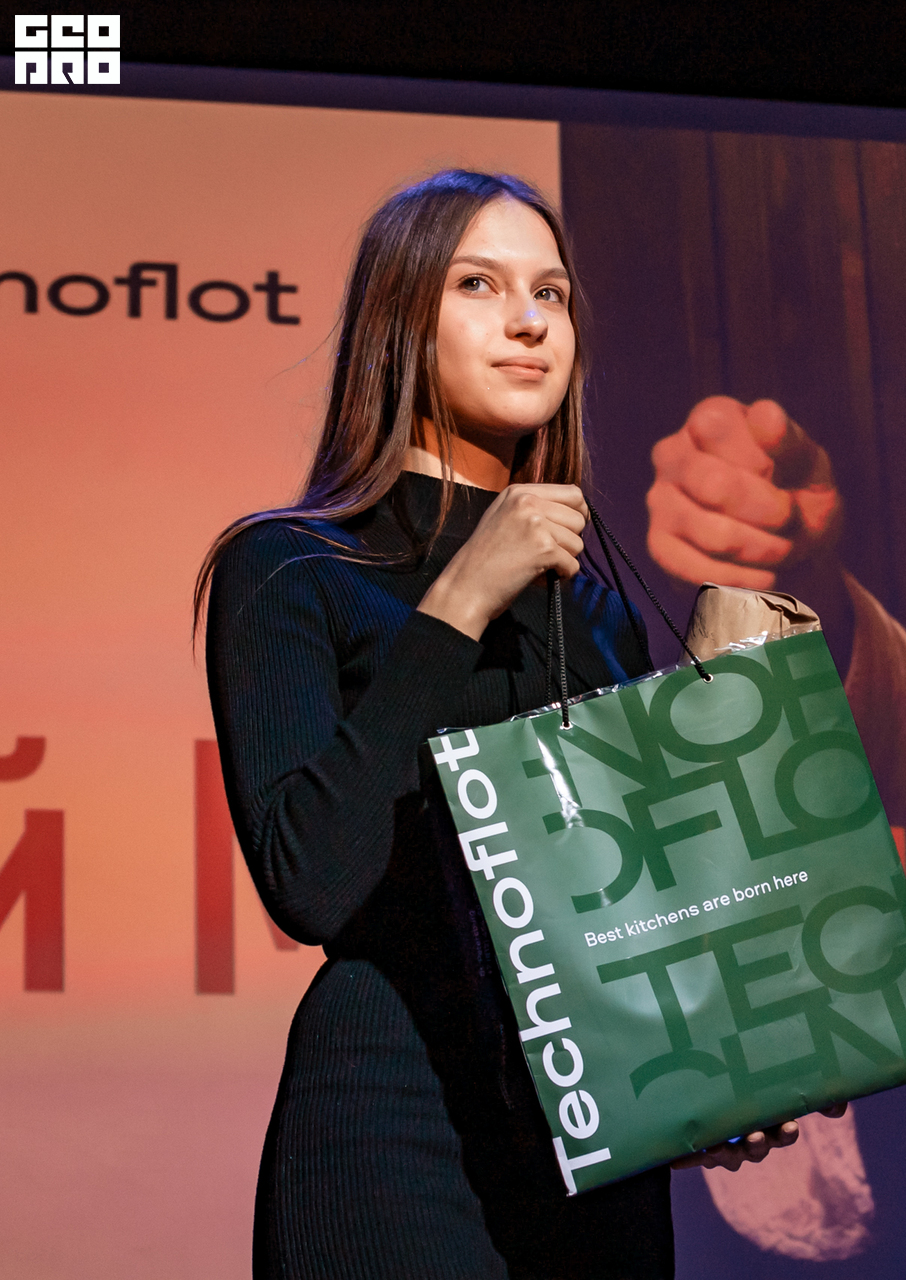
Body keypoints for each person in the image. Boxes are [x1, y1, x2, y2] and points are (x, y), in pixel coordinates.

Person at [196, 170, 809, 1280]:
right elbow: (311, 882)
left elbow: (634, 910)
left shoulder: (598, 610)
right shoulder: (291, 567)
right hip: (393, 1124)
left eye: (551, 293)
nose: (529, 320)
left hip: (593, 1143)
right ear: (399, 320)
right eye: (478, 284)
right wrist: (456, 606)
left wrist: (721, 1073)